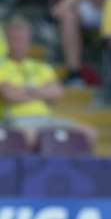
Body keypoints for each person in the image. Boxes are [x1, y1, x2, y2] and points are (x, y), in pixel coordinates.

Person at [0, 14, 98, 150]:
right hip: (17, 119)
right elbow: (9, 95)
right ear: (7, 41)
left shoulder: (41, 67)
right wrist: (40, 91)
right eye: (15, 39)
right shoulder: (2, 66)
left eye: (22, 39)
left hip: (46, 118)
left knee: (89, 133)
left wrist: (26, 90)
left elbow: (57, 93)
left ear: (29, 41)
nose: (19, 43)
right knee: (26, 137)